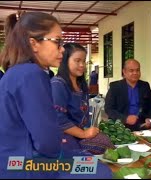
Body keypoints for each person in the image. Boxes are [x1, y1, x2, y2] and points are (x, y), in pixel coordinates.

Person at [0, 12, 112, 178]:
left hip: (16, 161)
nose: (62, 50)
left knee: (93, 164)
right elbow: (47, 141)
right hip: (26, 166)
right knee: (100, 171)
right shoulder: (31, 74)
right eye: (57, 42)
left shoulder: (18, 72)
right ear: (34, 44)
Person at [51, 43, 101, 152]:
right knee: (100, 151)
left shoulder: (81, 84)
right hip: (64, 139)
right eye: (77, 61)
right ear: (65, 61)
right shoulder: (58, 84)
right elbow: (58, 119)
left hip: (79, 135)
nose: (82, 65)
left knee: (106, 144)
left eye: (83, 61)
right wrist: (83, 134)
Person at [105, 59, 151, 131]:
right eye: (131, 70)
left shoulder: (145, 86)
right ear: (124, 72)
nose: (135, 73)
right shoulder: (115, 87)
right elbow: (109, 109)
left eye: (137, 70)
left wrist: (148, 118)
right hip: (120, 124)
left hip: (141, 122)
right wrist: (125, 119)